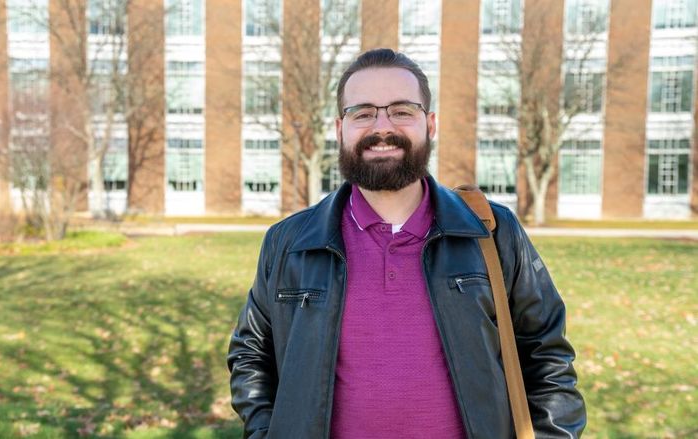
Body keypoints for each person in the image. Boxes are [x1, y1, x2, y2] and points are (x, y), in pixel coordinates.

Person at [228, 48, 586, 439]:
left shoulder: (492, 233)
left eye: (402, 110)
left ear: (430, 124)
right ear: (339, 129)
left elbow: (547, 356)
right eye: (362, 113)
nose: (382, 127)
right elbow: (251, 355)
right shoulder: (289, 243)